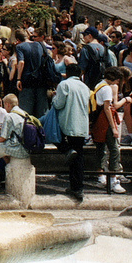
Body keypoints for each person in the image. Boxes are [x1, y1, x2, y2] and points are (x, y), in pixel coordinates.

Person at [52, 63, 90, 202]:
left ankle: (66, 149)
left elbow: (59, 104)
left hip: (68, 123)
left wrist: (54, 97)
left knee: (52, 134)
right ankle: (77, 187)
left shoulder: (64, 85)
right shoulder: (85, 87)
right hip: (82, 125)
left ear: (67, 73)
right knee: (78, 157)